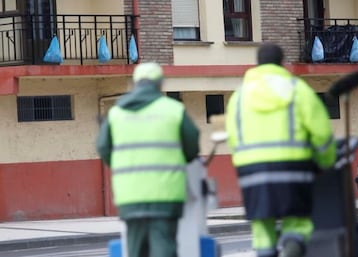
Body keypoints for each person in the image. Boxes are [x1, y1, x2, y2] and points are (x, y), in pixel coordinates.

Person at [225, 43, 336, 257]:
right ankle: (291, 247)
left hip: (251, 170)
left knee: (262, 225)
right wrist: (325, 160)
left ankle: (266, 251)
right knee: (297, 221)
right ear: (282, 63)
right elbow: (321, 133)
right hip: (293, 167)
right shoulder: (297, 89)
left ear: (256, 64)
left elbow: (233, 135)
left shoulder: (238, 97)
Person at [96, 62, 200, 257]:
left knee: (136, 251)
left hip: (130, 196)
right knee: (164, 249)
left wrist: (120, 165)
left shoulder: (116, 114)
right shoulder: (173, 110)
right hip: (166, 195)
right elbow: (192, 146)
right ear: (160, 84)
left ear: (136, 84)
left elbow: (103, 148)